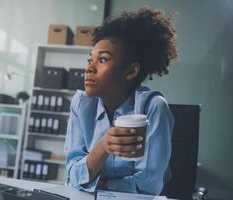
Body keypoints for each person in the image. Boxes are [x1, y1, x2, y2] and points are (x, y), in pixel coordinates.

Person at [64, 7, 179, 195]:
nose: (89, 69)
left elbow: (148, 186)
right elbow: (73, 175)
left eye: (102, 60)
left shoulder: (153, 108)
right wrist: (102, 147)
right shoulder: (81, 104)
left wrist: (100, 185)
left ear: (131, 71)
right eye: (89, 60)